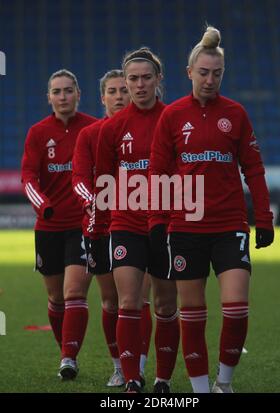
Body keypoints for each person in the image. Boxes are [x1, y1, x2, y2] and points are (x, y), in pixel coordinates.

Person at [148, 26, 274, 393]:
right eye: (203, 72)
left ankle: (224, 382)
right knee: (193, 313)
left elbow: (254, 169)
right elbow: (158, 171)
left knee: (236, 307)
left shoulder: (235, 113)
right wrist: (158, 218)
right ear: (189, 72)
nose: (210, 79)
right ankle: (201, 389)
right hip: (185, 228)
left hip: (229, 223)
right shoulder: (171, 116)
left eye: (217, 73)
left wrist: (263, 218)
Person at [93, 48, 179, 393]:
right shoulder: (113, 128)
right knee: (129, 301)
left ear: (158, 79)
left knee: (165, 304)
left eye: (146, 78)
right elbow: (104, 179)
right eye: (132, 79)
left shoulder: (174, 119)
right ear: (125, 83)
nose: (139, 85)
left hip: (168, 225)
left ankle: (163, 379)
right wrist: (100, 228)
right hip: (126, 224)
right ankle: (131, 378)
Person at [72, 69, 152, 387]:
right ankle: (119, 364)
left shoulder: (150, 127)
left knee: (138, 299)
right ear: (102, 97)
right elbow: (78, 178)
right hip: (100, 227)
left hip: (140, 225)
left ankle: (139, 366)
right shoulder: (91, 135)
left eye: (124, 89)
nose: (120, 96)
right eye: (113, 91)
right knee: (110, 301)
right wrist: (94, 202)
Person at [21, 69, 97, 380]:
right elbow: (28, 178)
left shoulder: (94, 128)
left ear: (79, 94)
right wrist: (44, 206)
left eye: (68, 90)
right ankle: (66, 352)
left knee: (74, 291)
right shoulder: (38, 133)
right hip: (49, 227)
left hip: (83, 225)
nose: (63, 96)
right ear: (49, 97)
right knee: (55, 298)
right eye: (57, 91)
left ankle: (68, 357)